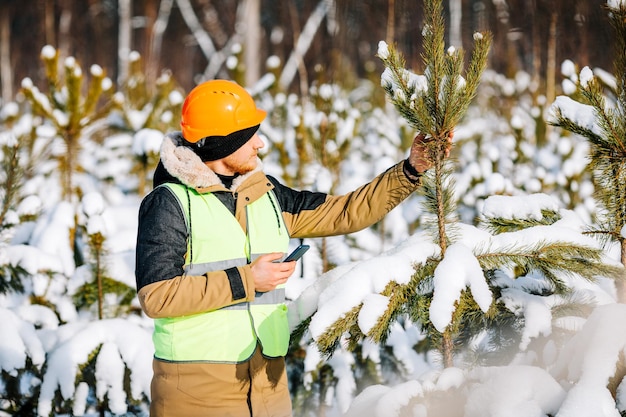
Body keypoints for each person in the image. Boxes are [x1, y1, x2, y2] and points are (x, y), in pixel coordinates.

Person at [135, 79, 452, 417]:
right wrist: (248, 280)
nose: (260, 143)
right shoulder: (168, 204)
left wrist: (411, 169)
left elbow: (344, 212)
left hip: (269, 386)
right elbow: (157, 296)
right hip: (197, 393)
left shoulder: (265, 194)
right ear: (220, 144)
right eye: (248, 135)